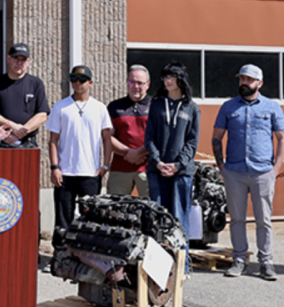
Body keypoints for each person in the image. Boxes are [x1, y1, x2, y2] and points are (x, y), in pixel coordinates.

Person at [212, 64, 284, 281]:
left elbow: (283, 138)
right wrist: (222, 167)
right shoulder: (228, 107)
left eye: (249, 80)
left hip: (262, 171)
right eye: (242, 79)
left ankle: (266, 262)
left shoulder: (272, 107)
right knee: (236, 219)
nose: (244, 83)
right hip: (234, 171)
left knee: (264, 219)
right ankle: (238, 260)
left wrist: (275, 169)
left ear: (259, 83)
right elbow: (216, 137)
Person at [47, 65, 113, 249]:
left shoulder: (99, 108)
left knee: (90, 218)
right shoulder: (61, 107)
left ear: (90, 82)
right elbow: (53, 140)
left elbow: (107, 138)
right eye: (74, 79)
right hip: (65, 172)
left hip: (90, 173)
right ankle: (60, 254)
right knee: (63, 217)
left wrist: (105, 166)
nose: (77, 83)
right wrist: (54, 167)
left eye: (82, 79)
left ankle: (85, 254)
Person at [144, 62, 200, 260]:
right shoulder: (157, 104)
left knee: (179, 219)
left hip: (181, 173)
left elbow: (192, 142)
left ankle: (180, 268)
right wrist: (158, 161)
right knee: (158, 220)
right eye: (165, 77)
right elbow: (149, 136)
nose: (167, 81)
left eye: (171, 77)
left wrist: (178, 165)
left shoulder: (192, 107)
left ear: (180, 79)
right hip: (156, 171)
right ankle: (158, 268)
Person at [0, 43, 50, 147]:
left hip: (28, 144)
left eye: (23, 60)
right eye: (16, 59)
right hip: (1, 141)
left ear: (28, 62)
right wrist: (11, 126)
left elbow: (42, 115)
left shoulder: (36, 83)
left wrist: (20, 132)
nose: (19, 63)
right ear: (8, 59)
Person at [106, 65, 151, 197]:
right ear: (127, 83)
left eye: (140, 83)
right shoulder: (114, 107)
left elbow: (160, 137)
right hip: (120, 169)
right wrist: (128, 153)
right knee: (115, 211)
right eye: (131, 82)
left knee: (153, 211)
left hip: (149, 169)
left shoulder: (157, 106)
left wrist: (139, 153)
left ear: (147, 85)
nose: (135, 86)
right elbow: (107, 137)